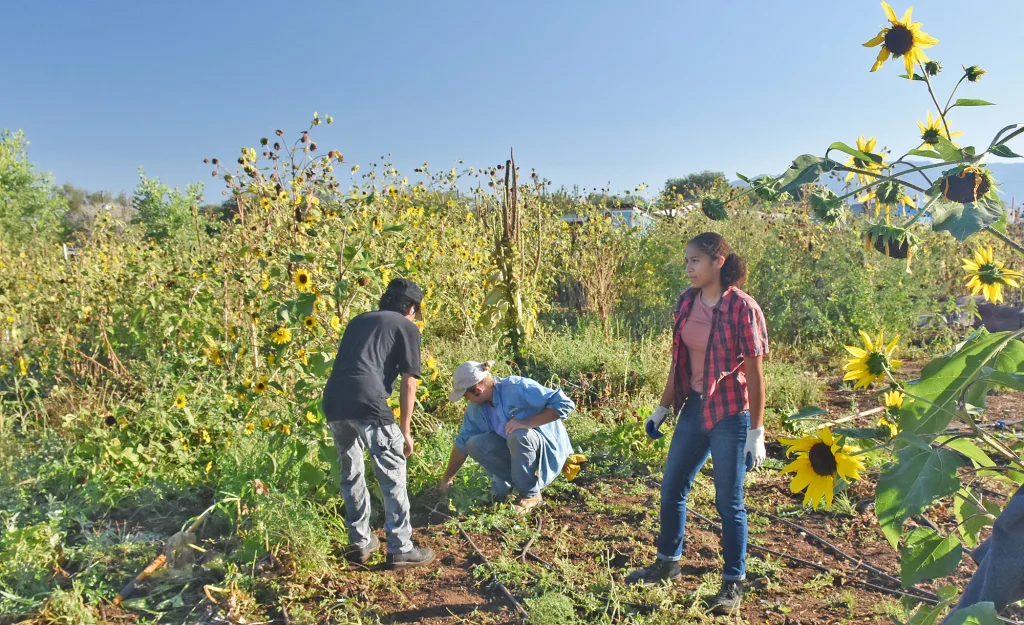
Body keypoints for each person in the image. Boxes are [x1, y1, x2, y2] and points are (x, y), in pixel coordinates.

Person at [626, 232, 769, 615]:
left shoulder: (743, 307)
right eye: (686, 260)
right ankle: (667, 563)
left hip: (729, 414)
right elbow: (680, 363)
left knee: (729, 501)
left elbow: (755, 376)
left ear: (718, 262)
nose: (688, 267)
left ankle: (732, 583)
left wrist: (756, 431)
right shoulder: (687, 301)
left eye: (695, 261)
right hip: (692, 408)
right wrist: (663, 408)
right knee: (672, 487)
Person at [321, 278, 434, 569]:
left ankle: (360, 542)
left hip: (334, 400)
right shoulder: (406, 327)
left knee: (351, 472)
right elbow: (409, 382)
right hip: (368, 401)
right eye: (415, 311)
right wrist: (406, 431)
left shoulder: (359, 321)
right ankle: (400, 547)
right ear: (410, 307)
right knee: (392, 472)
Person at [439, 361, 575, 514]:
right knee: (473, 444)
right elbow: (462, 443)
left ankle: (530, 495)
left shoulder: (516, 387)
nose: (466, 400)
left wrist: (526, 422)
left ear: (477, 390)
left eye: (465, 396)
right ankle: (514, 485)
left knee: (518, 434)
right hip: (516, 453)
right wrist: (447, 479)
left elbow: (565, 404)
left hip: (544, 450)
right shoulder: (475, 409)